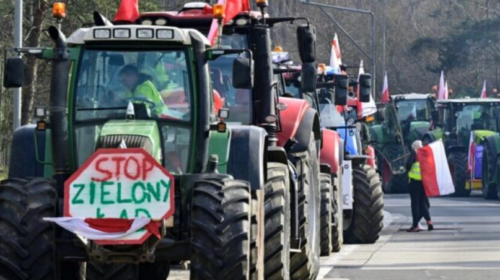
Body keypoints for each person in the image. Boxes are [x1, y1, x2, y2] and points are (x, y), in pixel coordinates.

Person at [406, 140, 434, 232]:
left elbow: (408, 164)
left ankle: (415, 226)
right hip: (424, 182)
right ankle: (429, 222)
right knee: (423, 203)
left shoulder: (415, 153)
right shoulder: (425, 154)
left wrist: (408, 169)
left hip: (414, 182)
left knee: (415, 204)